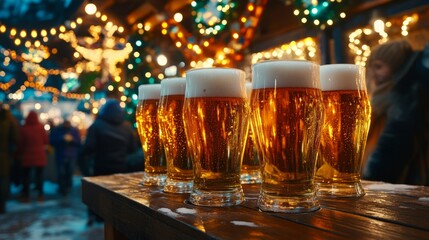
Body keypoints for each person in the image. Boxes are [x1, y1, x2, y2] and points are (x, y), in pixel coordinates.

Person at [363, 39, 429, 186]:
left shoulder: (400, 98)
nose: (373, 74)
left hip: (398, 185)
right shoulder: (382, 96)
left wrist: (371, 177)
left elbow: (393, 145)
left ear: (395, 67)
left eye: (379, 67)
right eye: (372, 68)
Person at [80, 99, 137, 225]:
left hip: (101, 167)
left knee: (98, 196)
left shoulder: (97, 125)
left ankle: (95, 218)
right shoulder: (127, 126)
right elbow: (132, 148)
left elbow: (89, 147)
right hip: (121, 168)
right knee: (118, 197)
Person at [17, 110, 49, 202]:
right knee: (39, 176)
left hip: (27, 156)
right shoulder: (41, 127)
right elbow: (46, 140)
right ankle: (40, 195)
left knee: (26, 177)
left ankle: (26, 196)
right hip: (40, 156)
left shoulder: (24, 129)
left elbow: (21, 144)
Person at [50, 119, 81, 196]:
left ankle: (68, 187)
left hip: (71, 155)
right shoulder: (58, 130)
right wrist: (62, 139)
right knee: (61, 173)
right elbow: (52, 141)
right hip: (61, 155)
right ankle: (62, 188)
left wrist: (72, 140)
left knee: (69, 172)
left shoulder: (74, 131)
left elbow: (78, 142)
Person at [0, 103, 19, 214]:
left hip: (4, 155)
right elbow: (15, 138)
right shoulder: (9, 121)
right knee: (3, 180)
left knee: (3, 180)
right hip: (4, 156)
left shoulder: (8, 122)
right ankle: (2, 205)